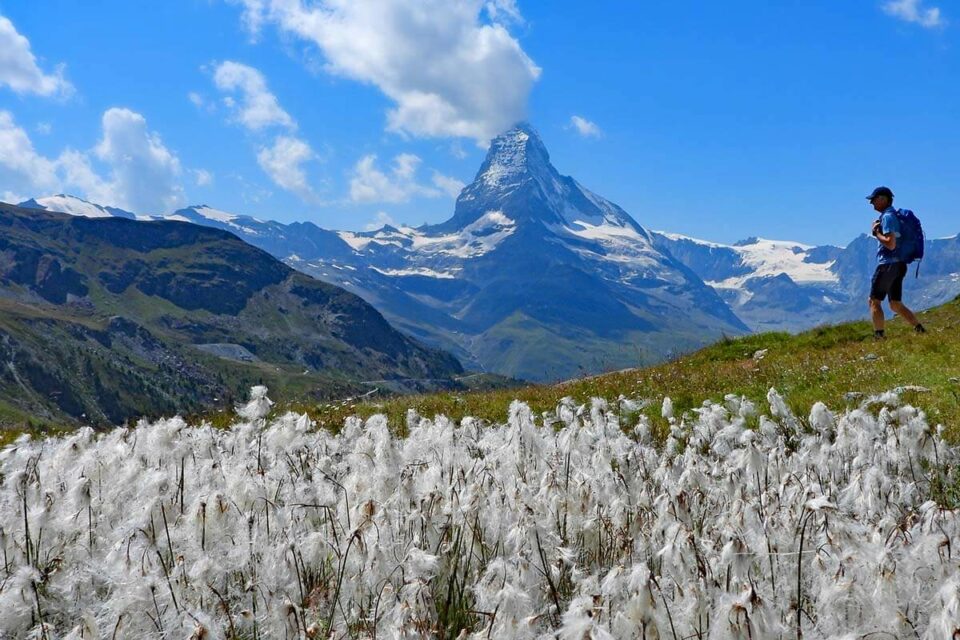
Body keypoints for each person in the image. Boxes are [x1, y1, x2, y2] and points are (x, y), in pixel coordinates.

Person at [866, 186, 926, 339]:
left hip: (888, 265)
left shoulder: (888, 217)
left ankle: (879, 337)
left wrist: (876, 232)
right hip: (899, 265)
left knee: (874, 301)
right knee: (895, 304)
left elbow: (890, 243)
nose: (871, 203)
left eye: (873, 200)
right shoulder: (894, 216)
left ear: (883, 199)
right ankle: (920, 330)